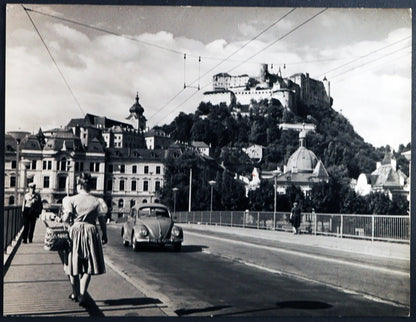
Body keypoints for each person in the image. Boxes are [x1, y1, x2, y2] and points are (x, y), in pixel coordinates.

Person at [61, 172, 108, 307]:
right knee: (89, 264)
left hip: (75, 232)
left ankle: (75, 293)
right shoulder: (97, 201)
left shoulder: (71, 200)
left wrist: (63, 217)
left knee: (73, 263)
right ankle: (82, 294)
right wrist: (104, 234)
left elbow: (65, 219)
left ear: (80, 185)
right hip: (91, 232)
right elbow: (102, 220)